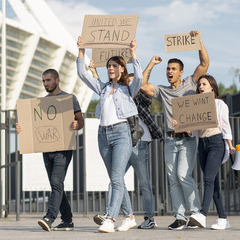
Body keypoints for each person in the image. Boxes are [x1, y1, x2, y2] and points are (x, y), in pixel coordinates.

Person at [141, 31, 209, 230]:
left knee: (182, 175)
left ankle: (195, 214)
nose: (169, 71)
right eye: (168, 69)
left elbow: (204, 64)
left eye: (173, 69)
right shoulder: (162, 90)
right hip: (170, 139)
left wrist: (199, 42)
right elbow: (142, 85)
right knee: (172, 179)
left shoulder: (190, 83)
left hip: (187, 139)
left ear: (181, 72)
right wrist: (152, 64)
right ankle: (179, 218)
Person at [77, 36, 142, 233]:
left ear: (122, 69)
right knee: (117, 179)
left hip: (122, 134)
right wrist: (81, 50)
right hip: (103, 135)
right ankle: (129, 216)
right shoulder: (103, 88)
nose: (110, 68)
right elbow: (82, 74)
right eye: (108, 66)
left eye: (114, 65)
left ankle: (110, 219)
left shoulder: (128, 89)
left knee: (115, 178)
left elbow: (139, 77)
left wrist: (133, 53)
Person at [89, 60, 163, 229]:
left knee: (143, 182)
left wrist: (150, 63)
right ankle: (122, 214)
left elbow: (140, 78)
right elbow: (103, 89)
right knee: (116, 179)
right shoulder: (117, 94)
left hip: (139, 145)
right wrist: (94, 72)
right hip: (121, 142)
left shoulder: (141, 98)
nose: (130, 83)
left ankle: (149, 217)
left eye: (132, 82)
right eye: (127, 81)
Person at [16, 69, 84, 232]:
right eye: (43, 81)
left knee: (55, 183)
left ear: (57, 80)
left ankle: (49, 217)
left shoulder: (69, 99)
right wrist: (21, 129)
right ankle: (67, 220)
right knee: (57, 185)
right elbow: (33, 127)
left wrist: (76, 125)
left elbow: (80, 120)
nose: (45, 84)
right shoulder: (41, 103)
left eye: (48, 80)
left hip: (63, 149)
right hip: (46, 149)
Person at [173, 75, 235, 230]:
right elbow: (194, 131)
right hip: (202, 144)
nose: (201, 86)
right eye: (199, 84)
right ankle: (223, 219)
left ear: (212, 87)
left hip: (216, 142)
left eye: (204, 84)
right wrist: (181, 126)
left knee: (208, 178)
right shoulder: (196, 105)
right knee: (212, 182)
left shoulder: (219, 104)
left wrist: (230, 145)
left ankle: (202, 214)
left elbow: (225, 126)